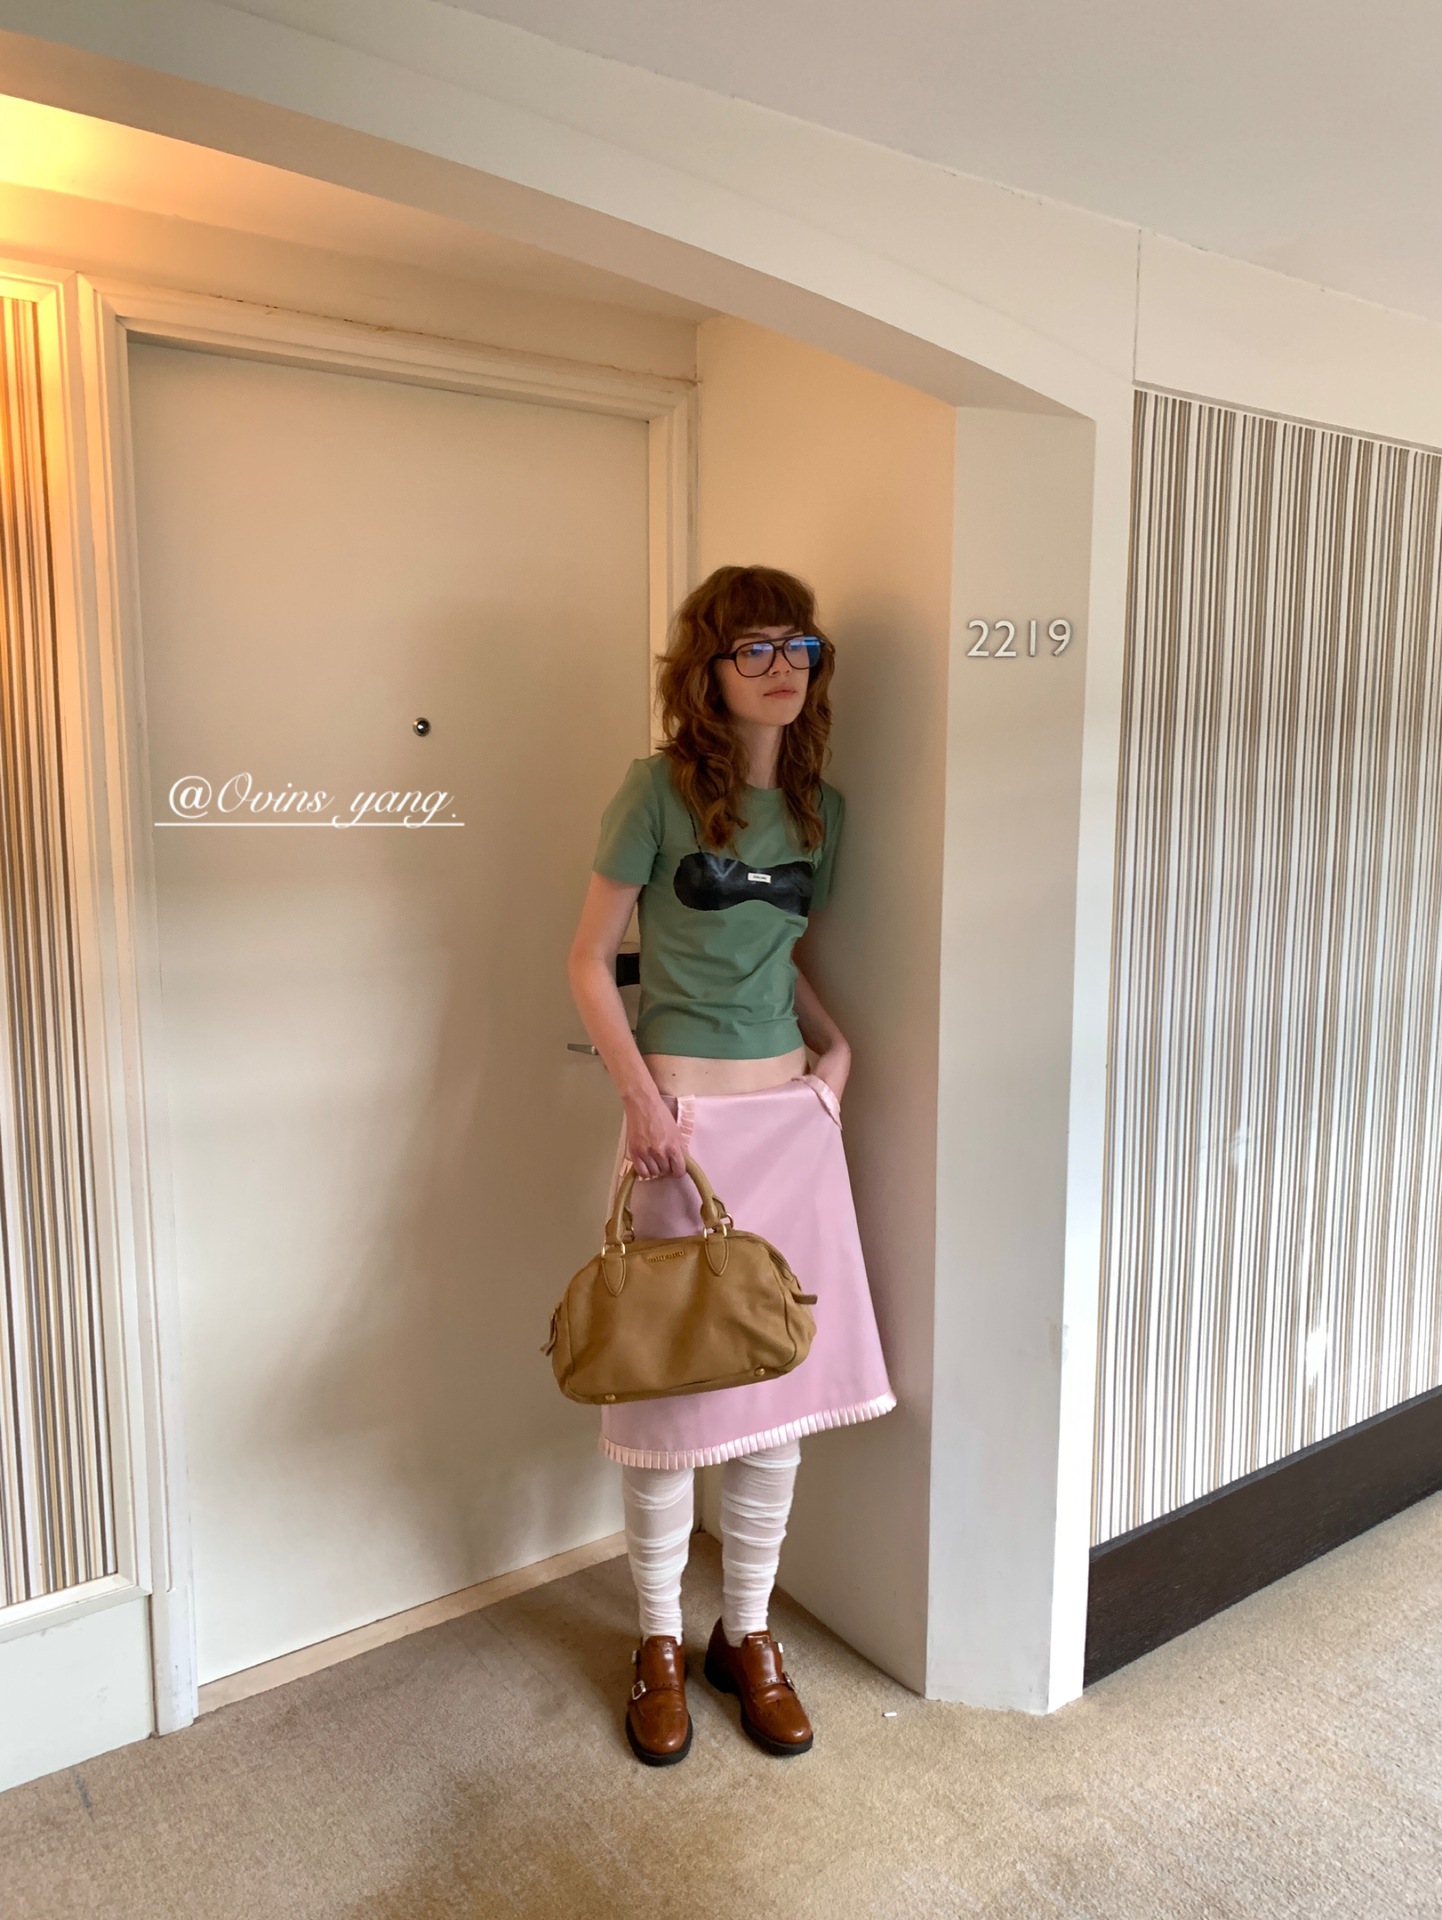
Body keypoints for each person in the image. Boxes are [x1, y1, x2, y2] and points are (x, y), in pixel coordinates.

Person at [567, 563, 894, 1766]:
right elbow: (588, 962)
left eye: (796, 646)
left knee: (773, 1386)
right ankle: (656, 1640)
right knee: (666, 1391)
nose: (779, 668)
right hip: (679, 1123)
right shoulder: (652, 793)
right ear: (705, 669)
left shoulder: (822, 814)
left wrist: (836, 1053)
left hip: (790, 1124)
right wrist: (640, 1100)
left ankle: (743, 1635)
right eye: (751, 647)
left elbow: (780, 954)